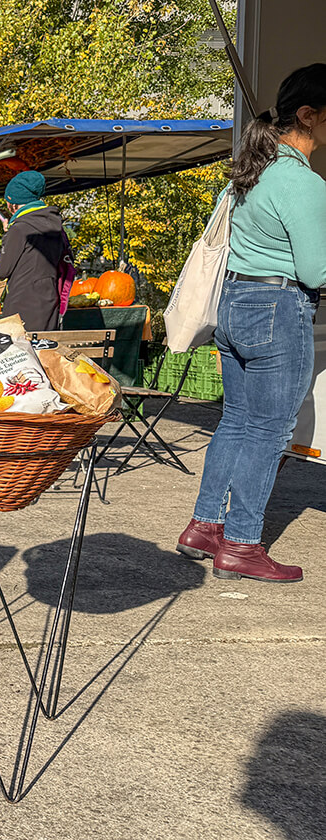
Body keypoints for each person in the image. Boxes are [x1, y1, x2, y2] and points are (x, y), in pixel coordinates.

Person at [176, 64, 326, 584]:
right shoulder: (302, 181)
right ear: (308, 115)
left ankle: (205, 526)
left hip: (235, 303)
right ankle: (241, 543)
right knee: (268, 430)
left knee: (237, 421)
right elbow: (316, 270)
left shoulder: (250, 170)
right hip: (279, 308)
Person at [0, 170, 72, 331]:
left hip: (20, 305)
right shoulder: (56, 226)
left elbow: (2, 270)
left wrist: (7, 235)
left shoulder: (19, 229)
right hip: (49, 302)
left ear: (13, 204)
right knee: (44, 346)